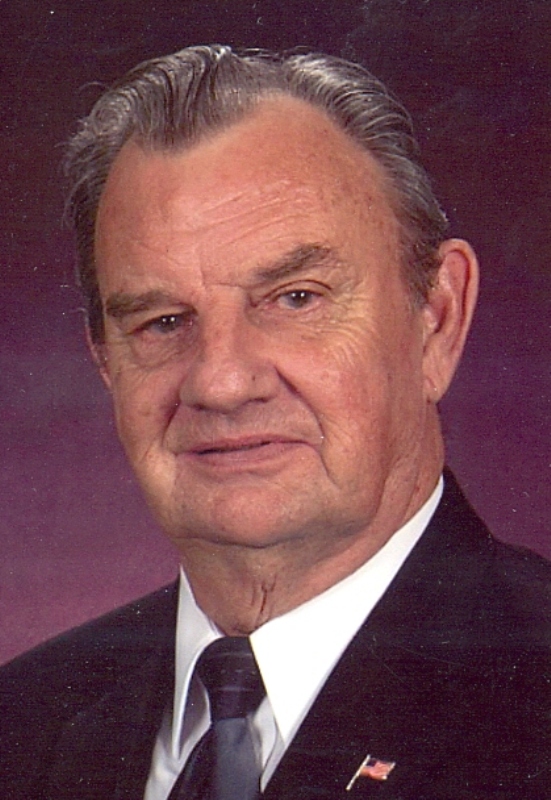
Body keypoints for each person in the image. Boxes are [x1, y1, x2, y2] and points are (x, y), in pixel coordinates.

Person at [1, 45, 549, 800]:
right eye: (163, 321)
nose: (221, 382)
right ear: (105, 361)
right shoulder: (22, 722)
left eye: (296, 298)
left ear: (437, 319)